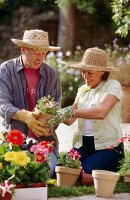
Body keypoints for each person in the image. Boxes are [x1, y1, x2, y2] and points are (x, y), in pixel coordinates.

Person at [46, 47, 124, 184]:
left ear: (102, 71)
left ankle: (115, 176)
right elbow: (70, 119)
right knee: (60, 169)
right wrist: (52, 113)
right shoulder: (83, 90)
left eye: (89, 72)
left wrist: (68, 111)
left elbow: (101, 112)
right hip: (83, 146)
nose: (85, 76)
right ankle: (97, 174)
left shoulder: (113, 85)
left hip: (108, 147)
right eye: (83, 71)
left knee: (85, 170)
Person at [0, 29, 61, 177]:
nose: (39, 57)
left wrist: (50, 123)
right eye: (35, 52)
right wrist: (24, 116)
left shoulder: (51, 73)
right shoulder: (6, 70)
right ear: (23, 50)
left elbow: (56, 106)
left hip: (45, 142)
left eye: (43, 53)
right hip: (14, 140)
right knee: (13, 174)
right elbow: (2, 104)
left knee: (43, 174)